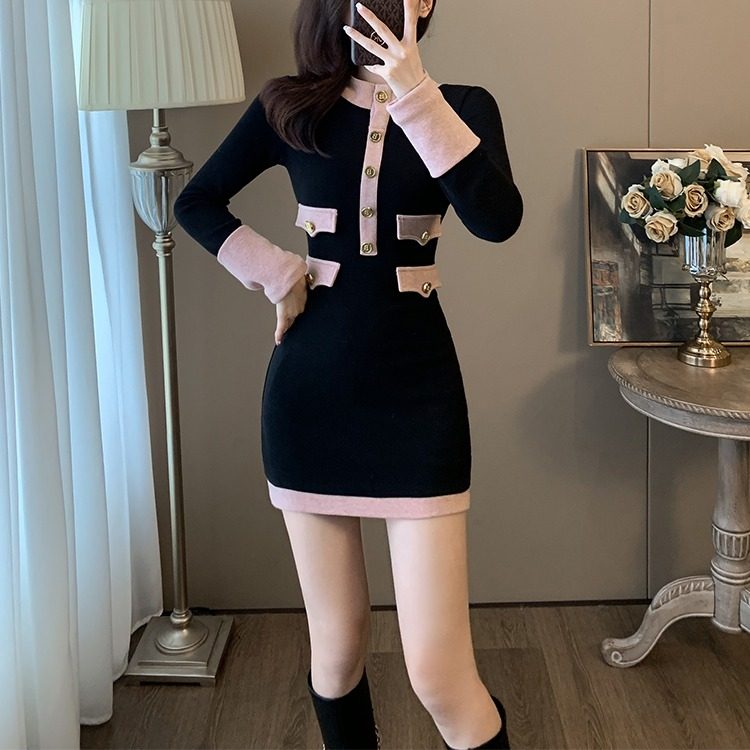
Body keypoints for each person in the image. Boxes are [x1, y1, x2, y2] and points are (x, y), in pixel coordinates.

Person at [174, 0, 523, 747]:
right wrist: (277, 272)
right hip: (310, 400)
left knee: (439, 673)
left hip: (418, 399)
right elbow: (195, 200)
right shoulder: (289, 105)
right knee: (335, 654)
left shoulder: (464, 106)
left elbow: (497, 220)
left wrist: (415, 92)